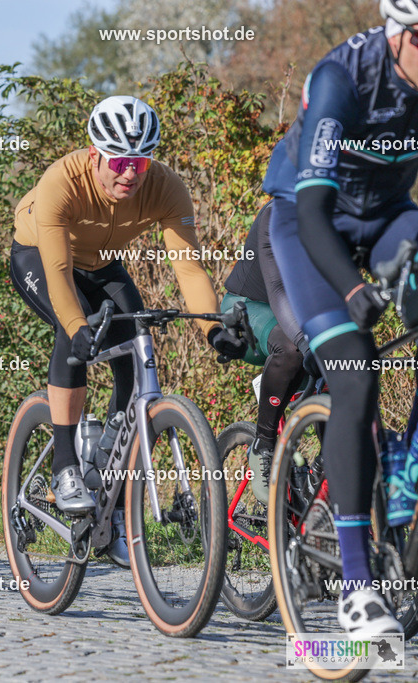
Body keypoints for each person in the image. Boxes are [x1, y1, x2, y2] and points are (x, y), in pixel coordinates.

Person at [9, 95, 246, 566]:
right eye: (118, 162)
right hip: (40, 257)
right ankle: (64, 465)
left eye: (140, 162)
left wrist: (212, 330)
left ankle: (112, 491)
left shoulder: (166, 187)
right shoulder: (61, 181)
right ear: (94, 155)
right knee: (72, 333)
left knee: (138, 353)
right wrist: (77, 327)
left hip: (101, 265)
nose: (130, 174)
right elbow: (58, 272)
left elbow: (189, 269)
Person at [261, 1, 418, 636]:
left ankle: (403, 470)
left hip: (388, 216)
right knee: (355, 373)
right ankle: (357, 589)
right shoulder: (343, 78)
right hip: (310, 220)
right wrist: (352, 290)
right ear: (399, 34)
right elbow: (314, 214)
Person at [222, 201, 317, 502]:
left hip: (301, 314)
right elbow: (277, 289)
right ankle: (263, 445)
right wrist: (306, 344)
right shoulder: (279, 211)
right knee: (292, 349)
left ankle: (320, 481)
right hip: (248, 308)